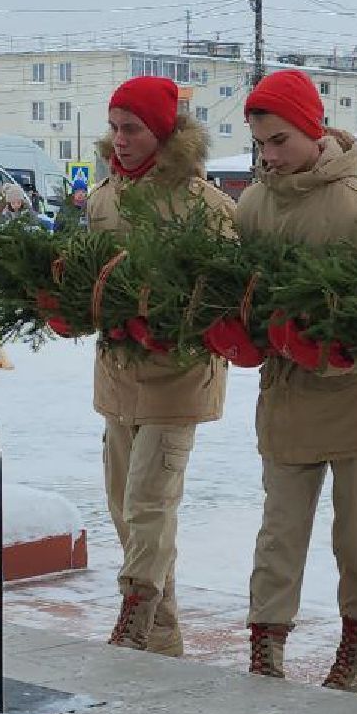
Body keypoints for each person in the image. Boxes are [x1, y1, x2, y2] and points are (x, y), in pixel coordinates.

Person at [236, 69, 357, 692]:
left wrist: (340, 342)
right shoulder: (255, 202)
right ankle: (266, 649)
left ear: (314, 132)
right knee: (279, 533)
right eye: (260, 144)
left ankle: (353, 651)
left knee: (356, 537)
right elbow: (243, 293)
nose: (269, 156)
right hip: (288, 403)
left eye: (280, 141)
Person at [86, 77, 238, 656]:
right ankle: (164, 636)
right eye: (115, 127)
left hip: (177, 378)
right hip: (118, 377)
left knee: (150, 503)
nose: (120, 140)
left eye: (134, 129)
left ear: (163, 133)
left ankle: (134, 616)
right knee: (125, 509)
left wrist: (173, 319)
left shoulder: (203, 205)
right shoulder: (103, 197)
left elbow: (221, 297)